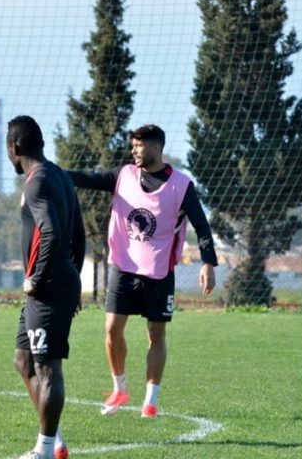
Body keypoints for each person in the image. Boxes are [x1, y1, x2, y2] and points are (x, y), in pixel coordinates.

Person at [67, 124, 217, 419]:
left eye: (139, 145)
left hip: (160, 270)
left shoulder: (181, 185)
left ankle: (151, 400)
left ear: (156, 147)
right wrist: (49, 172)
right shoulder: (123, 175)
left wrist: (208, 262)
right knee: (112, 329)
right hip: (123, 265)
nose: (133, 150)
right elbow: (87, 178)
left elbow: (201, 225)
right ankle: (119, 389)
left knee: (156, 333)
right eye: (132, 145)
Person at [6, 115, 85, 459]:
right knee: (23, 360)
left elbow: (51, 232)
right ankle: (56, 439)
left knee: (47, 367)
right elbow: (79, 236)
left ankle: (44, 449)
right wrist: (75, 277)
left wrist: (36, 278)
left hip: (47, 286)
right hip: (59, 281)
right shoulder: (60, 177)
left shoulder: (36, 182)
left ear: (15, 147)